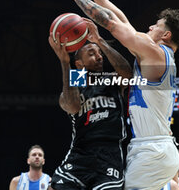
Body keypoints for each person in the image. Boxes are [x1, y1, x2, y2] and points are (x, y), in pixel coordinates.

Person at [68, 0, 179, 190]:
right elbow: (122, 20)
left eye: (156, 25)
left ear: (166, 35)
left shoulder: (155, 54)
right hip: (147, 148)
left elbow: (113, 24)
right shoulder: (153, 55)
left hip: (151, 150)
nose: (149, 26)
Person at [48, 18, 132, 189]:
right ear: (79, 64)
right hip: (81, 151)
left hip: (110, 152)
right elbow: (72, 106)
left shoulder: (110, 79)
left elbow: (128, 75)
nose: (99, 56)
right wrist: (65, 62)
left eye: (99, 53)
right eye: (92, 53)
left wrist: (99, 40)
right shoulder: (75, 81)